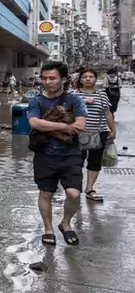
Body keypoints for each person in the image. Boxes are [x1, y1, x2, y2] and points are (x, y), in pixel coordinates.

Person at [27, 61, 87, 247]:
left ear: (63, 79)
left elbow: (80, 126)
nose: (47, 82)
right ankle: (48, 229)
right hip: (44, 154)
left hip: (71, 154)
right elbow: (34, 123)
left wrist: (49, 126)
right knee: (46, 193)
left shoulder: (74, 100)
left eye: (52, 78)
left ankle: (65, 223)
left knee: (74, 194)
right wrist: (63, 126)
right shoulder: (36, 100)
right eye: (44, 78)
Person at [73, 68, 115, 202]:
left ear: (95, 79)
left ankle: (90, 189)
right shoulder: (74, 95)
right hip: (78, 134)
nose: (88, 79)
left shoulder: (102, 94)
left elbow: (107, 113)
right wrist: (83, 101)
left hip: (99, 133)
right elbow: (66, 111)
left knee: (95, 163)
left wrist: (112, 129)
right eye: (85, 77)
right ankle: (75, 189)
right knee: (76, 163)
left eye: (91, 76)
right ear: (80, 79)